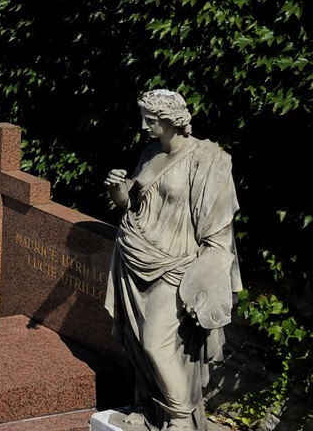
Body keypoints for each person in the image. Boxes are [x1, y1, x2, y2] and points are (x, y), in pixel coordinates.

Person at [104, 89, 240, 431]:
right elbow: (132, 204)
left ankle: (180, 418)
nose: (144, 126)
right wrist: (118, 191)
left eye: (151, 120)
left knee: (156, 340)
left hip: (175, 264)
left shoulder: (208, 160)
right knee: (138, 343)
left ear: (172, 120)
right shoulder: (150, 153)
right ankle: (150, 407)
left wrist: (210, 271)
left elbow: (218, 227)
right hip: (134, 258)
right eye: (144, 119)